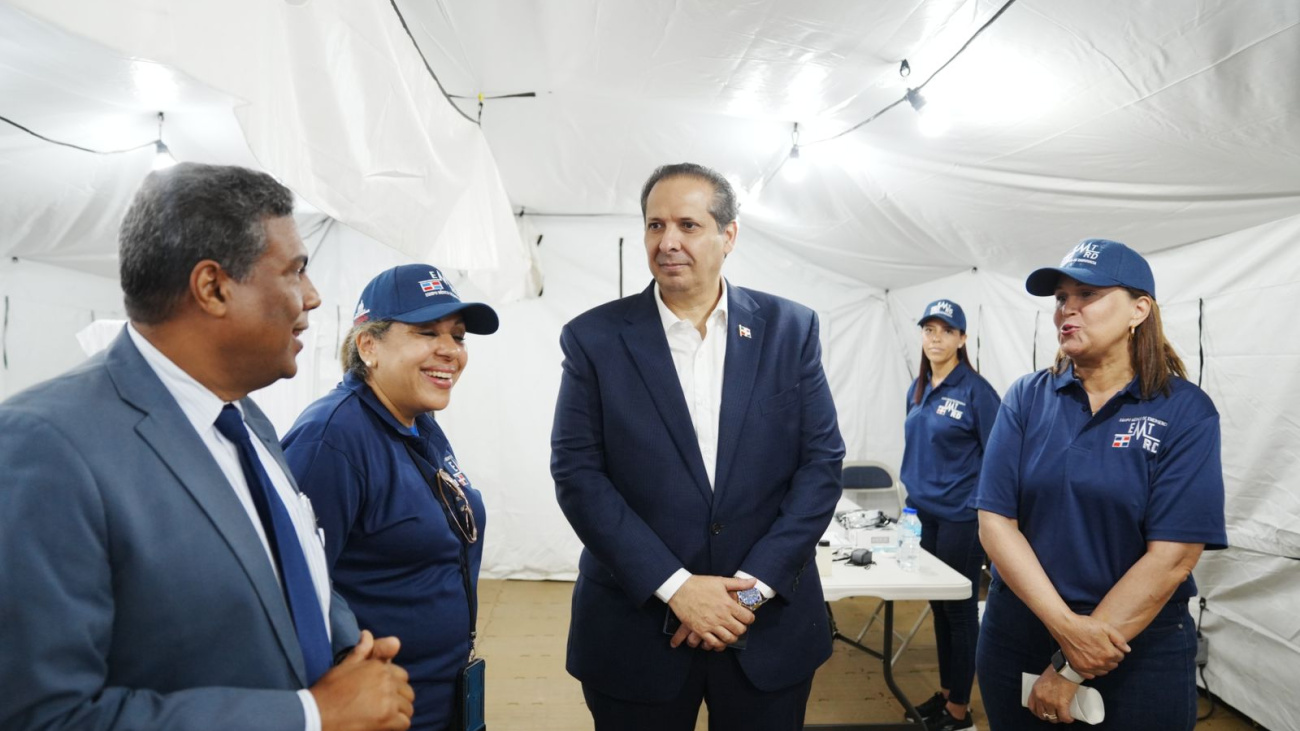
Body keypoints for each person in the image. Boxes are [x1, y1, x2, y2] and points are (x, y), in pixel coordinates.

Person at [0, 163, 414, 731]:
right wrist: (311, 715)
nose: (313, 298)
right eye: (296, 272)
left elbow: (282, 564)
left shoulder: (243, 416)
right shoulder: (46, 446)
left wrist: (350, 653)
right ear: (214, 288)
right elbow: (45, 716)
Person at [551, 162, 845, 731]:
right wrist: (676, 588)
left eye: (688, 224)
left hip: (766, 628)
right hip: (637, 632)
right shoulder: (594, 339)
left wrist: (749, 595)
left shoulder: (790, 330)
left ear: (727, 235)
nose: (668, 242)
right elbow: (579, 476)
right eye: (654, 226)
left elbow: (820, 465)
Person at [973, 239, 1227, 730]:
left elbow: (1172, 556)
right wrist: (1066, 628)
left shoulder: (1183, 411)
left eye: (1086, 294)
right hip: (1022, 629)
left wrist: (1070, 665)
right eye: (1061, 298)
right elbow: (995, 522)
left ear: (1139, 310)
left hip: (1136, 643)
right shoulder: (1027, 398)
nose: (1067, 309)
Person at [282, 264, 498, 731]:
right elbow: (290, 590)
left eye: (458, 336)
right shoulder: (332, 440)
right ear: (369, 346)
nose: (450, 351)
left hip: (437, 697)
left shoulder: (417, 422)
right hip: (380, 712)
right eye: (426, 332)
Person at [898, 299, 1000, 731]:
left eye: (944, 330)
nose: (935, 337)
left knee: (959, 610)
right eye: (928, 330)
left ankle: (960, 710)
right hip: (924, 516)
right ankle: (945, 694)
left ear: (962, 338)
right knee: (939, 608)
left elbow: (999, 457)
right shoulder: (917, 387)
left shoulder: (977, 391)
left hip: (961, 517)